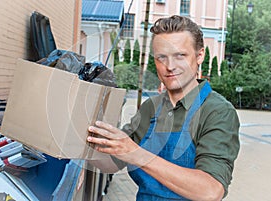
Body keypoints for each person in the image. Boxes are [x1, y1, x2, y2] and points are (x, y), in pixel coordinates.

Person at [87, 15, 240, 201]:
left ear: (200, 56)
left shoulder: (217, 111)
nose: (170, 66)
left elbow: (210, 191)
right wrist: (84, 139)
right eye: (162, 57)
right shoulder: (150, 108)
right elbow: (111, 163)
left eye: (180, 56)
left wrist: (136, 154)